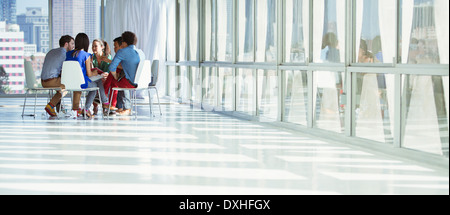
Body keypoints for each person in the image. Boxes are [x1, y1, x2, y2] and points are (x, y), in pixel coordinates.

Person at [65, 33, 109, 118]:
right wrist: (95, 73)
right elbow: (89, 74)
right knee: (96, 85)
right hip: (81, 82)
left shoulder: (68, 54)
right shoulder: (86, 55)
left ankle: (103, 102)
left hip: (69, 82)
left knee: (97, 82)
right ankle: (90, 107)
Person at [108, 31, 146, 116]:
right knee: (120, 79)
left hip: (131, 83)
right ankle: (120, 106)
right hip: (142, 82)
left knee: (114, 80)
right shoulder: (141, 52)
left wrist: (115, 76)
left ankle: (125, 107)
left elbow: (111, 67)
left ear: (124, 42)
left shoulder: (122, 52)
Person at [41, 35, 74, 117]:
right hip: (52, 81)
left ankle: (59, 109)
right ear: (66, 44)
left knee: (60, 86)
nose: (74, 46)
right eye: (72, 44)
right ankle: (51, 105)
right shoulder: (64, 54)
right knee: (68, 85)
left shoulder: (51, 51)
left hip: (43, 82)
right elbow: (65, 71)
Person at [91, 38, 113, 115]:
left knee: (102, 81)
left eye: (95, 46)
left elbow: (109, 71)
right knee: (95, 81)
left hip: (106, 78)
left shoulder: (108, 57)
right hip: (97, 77)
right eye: (92, 46)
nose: (93, 48)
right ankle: (101, 104)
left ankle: (102, 105)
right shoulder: (91, 57)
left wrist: (105, 74)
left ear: (102, 47)